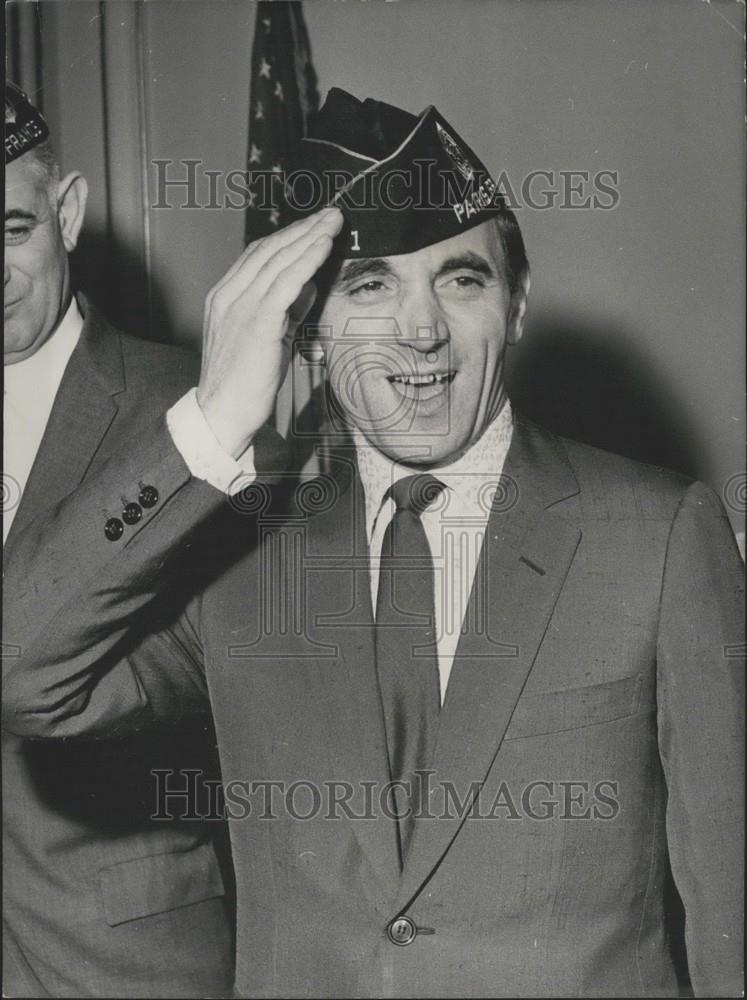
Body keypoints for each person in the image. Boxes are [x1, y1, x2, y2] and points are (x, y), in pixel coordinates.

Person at [4, 87, 743, 998]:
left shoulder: (659, 536)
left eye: (460, 278)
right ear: (306, 335)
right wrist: (208, 423)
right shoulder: (241, 563)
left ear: (514, 306)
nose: (420, 328)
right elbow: (25, 670)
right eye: (369, 286)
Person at [2, 83, 234, 998]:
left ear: (68, 212)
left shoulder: (193, 409)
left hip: (120, 947)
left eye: (11, 231)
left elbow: (220, 676)